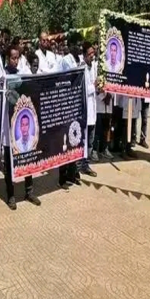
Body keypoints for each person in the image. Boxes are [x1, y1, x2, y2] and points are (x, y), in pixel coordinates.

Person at [2, 45, 41, 210]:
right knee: (10, 163)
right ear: (7, 58)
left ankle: (29, 190)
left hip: (22, 123)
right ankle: (11, 195)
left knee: (27, 156)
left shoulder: (22, 72)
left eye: (17, 57)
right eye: (12, 58)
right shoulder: (2, 75)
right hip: (8, 125)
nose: (15, 61)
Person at [56, 33, 82, 188]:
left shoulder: (79, 60)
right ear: (71, 45)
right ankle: (62, 178)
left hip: (76, 104)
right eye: (77, 45)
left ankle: (73, 174)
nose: (79, 47)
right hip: (66, 104)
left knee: (75, 139)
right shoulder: (65, 61)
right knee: (65, 141)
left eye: (80, 45)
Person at [77, 41, 97, 177]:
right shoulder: (81, 68)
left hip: (93, 107)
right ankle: (79, 165)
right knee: (83, 139)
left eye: (93, 54)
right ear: (84, 55)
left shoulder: (94, 66)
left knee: (90, 139)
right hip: (84, 108)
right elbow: (83, 89)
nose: (92, 56)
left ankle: (86, 163)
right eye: (89, 54)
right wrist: (94, 86)